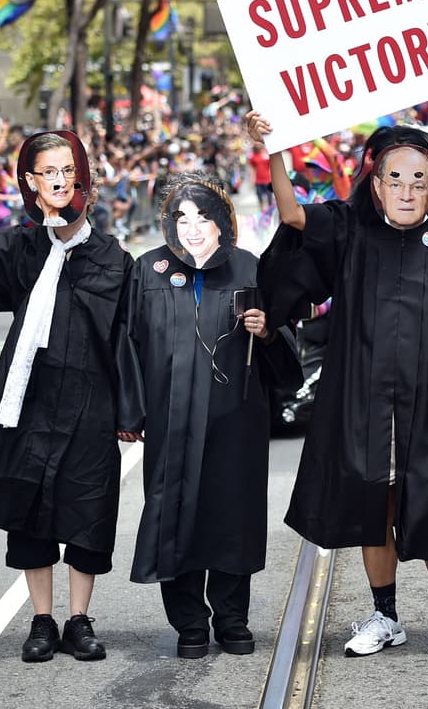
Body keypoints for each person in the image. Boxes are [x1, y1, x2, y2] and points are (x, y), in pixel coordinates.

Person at [248, 111, 428, 663]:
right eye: (395, 179)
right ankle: (385, 615)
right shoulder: (350, 230)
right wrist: (275, 150)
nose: (406, 190)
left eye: (419, 181)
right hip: (361, 397)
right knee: (371, 503)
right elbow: (291, 215)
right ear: (375, 185)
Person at [0, 131, 137, 664]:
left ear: (83, 176)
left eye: (68, 168)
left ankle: (80, 619)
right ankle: (42, 619)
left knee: (88, 507)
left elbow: (132, 340)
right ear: (32, 184)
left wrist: (131, 411)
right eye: (47, 171)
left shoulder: (113, 259)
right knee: (30, 507)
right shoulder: (18, 248)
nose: (59, 179)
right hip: (29, 403)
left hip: (91, 404)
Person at [121, 173, 301, 659]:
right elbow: (128, 348)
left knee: (231, 515)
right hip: (170, 419)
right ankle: (189, 622)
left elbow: (288, 359)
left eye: (204, 216)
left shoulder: (248, 269)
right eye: (182, 216)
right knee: (174, 515)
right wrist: (129, 412)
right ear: (167, 221)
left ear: (224, 220)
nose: (193, 227)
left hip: (234, 420)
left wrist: (266, 332)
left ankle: (232, 617)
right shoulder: (147, 272)